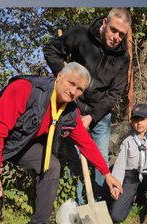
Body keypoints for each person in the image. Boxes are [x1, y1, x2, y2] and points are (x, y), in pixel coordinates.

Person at [0, 62, 122, 224]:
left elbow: (86, 143)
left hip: (17, 144)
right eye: (71, 83)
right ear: (59, 76)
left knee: (52, 166)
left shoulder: (70, 112)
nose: (73, 91)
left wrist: (106, 173)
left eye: (79, 89)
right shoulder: (26, 89)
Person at [44, 8, 132, 204]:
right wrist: (67, 80)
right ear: (104, 23)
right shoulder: (80, 34)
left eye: (122, 34)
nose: (116, 37)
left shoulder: (122, 58)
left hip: (100, 115)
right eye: (113, 30)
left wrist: (92, 116)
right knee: (75, 159)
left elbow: (115, 93)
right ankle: (78, 204)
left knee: (100, 159)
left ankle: (100, 202)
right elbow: (51, 49)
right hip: (71, 109)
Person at [109, 104, 147, 222]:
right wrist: (116, 186)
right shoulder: (127, 142)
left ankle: (144, 200)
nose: (139, 122)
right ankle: (131, 199)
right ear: (132, 122)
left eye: (142, 119)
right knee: (116, 216)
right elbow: (120, 167)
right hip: (131, 178)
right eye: (136, 119)